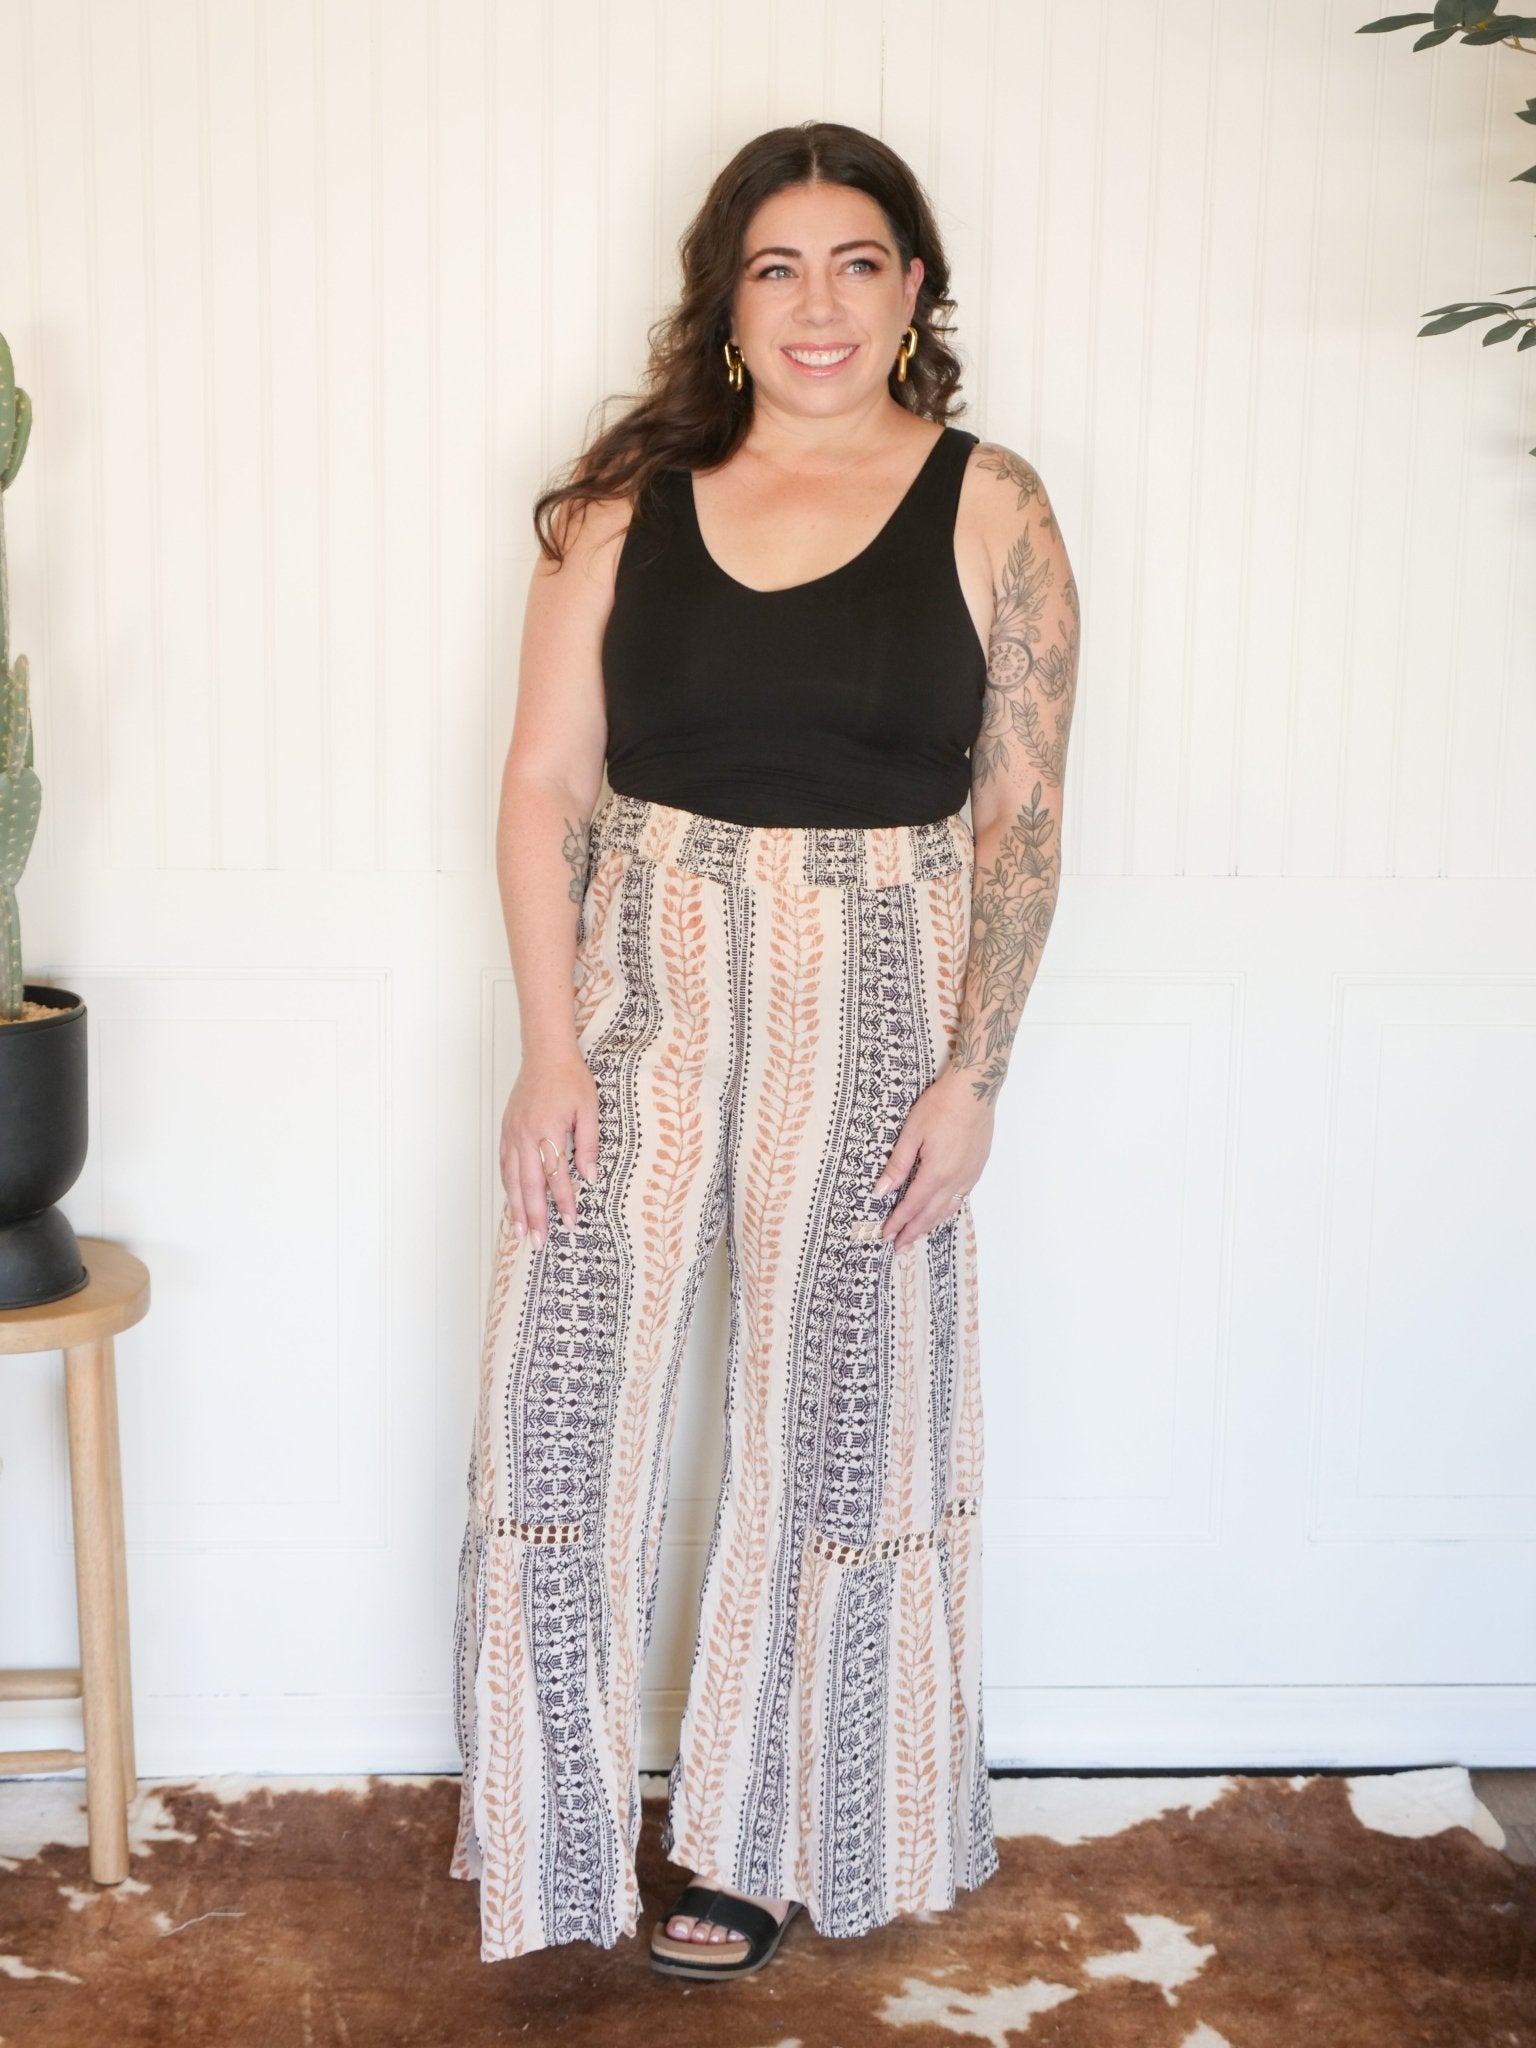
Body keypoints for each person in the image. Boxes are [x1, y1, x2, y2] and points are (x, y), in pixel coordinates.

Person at [449, 117, 1079, 1981]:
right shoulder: (617, 508)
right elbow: (545, 785)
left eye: (857, 262)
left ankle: (759, 1843)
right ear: (725, 301)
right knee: (561, 1406)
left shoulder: (993, 502)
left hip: (885, 979)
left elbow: (1023, 813)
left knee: (838, 1433)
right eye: (776, 266)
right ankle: (549, 1838)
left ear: (912, 289)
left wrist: (975, 1075)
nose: (819, 304)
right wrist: (548, 1048)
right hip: (643, 974)